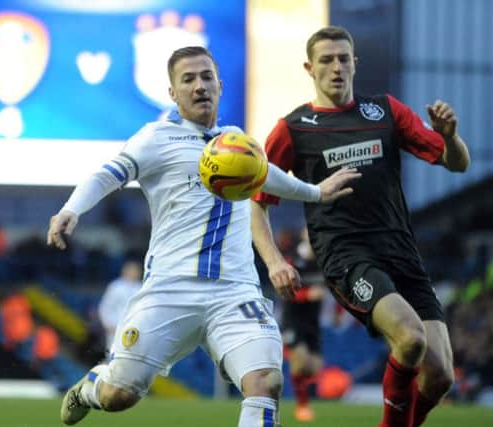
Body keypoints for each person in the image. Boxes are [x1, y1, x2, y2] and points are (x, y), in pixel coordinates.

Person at [47, 45, 360, 427]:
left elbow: (265, 175)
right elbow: (106, 175)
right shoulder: (155, 138)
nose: (199, 86)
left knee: (266, 381)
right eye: (188, 79)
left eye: (206, 77)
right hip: (169, 289)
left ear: (220, 85)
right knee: (120, 395)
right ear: (173, 93)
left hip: (235, 291)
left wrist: (315, 192)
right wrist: (70, 210)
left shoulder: (235, 139)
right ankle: (92, 386)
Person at [251, 26, 470, 427]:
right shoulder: (292, 129)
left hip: (402, 253)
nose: (336, 67)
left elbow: (457, 163)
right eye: (326, 60)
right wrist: (273, 262)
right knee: (411, 338)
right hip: (346, 256)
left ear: (355, 63)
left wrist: (450, 138)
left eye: (343, 58)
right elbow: (258, 204)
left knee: (439, 377)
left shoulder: (385, 112)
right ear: (309, 67)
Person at [279, 228, 325, 422]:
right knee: (300, 360)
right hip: (292, 320)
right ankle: (302, 406)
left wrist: (339, 312)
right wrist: (307, 295)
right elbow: (283, 290)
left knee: (314, 368)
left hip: (312, 322)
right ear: (304, 235)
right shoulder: (292, 258)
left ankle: (303, 397)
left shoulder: (325, 261)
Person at [97, 260, 143, 350]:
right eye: (132, 270)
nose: (134, 273)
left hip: (135, 329)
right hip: (115, 327)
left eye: (136, 270)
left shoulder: (141, 287)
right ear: (125, 271)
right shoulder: (116, 286)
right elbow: (105, 307)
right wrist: (108, 324)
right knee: (114, 354)